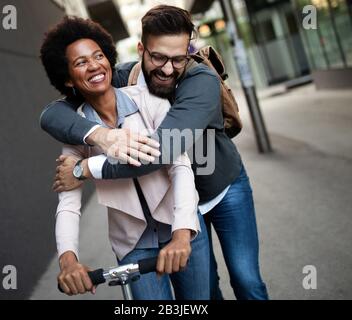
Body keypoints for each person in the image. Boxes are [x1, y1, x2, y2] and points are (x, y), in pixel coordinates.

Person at [43, 5, 269, 300]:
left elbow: (165, 154)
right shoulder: (122, 77)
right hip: (174, 211)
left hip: (220, 187)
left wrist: (84, 169)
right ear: (141, 50)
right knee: (208, 289)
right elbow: (51, 114)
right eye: (158, 57)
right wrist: (99, 134)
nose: (166, 68)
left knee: (245, 278)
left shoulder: (201, 82)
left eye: (177, 59)